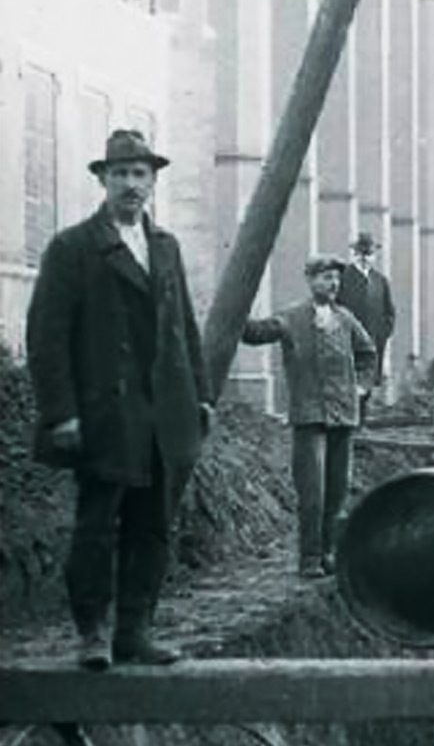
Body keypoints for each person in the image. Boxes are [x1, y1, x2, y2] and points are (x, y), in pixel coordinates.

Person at [25, 129, 214, 670]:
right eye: (120, 174)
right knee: (97, 525)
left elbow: (185, 329)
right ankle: (93, 634)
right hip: (106, 413)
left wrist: (201, 395)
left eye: (140, 175)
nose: (131, 185)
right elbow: (47, 338)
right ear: (102, 181)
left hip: (164, 414)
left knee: (152, 527)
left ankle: (135, 632)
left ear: (153, 182)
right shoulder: (73, 248)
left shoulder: (166, 247)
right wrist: (60, 413)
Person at [242, 255, 376, 579]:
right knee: (312, 491)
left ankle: (329, 552)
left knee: (337, 490)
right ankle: (310, 558)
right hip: (309, 415)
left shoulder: (346, 319)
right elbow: (255, 333)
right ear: (310, 280)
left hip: (343, 416)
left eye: (335, 279)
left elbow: (368, 353)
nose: (332, 284)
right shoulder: (292, 318)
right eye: (325, 278)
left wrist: (360, 387)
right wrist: (238, 309)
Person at [336, 232, 396, 417]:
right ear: (354, 254)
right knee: (349, 380)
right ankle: (349, 421)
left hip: (374, 342)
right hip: (348, 340)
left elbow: (390, 312)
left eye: (368, 254)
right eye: (361, 253)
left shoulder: (380, 281)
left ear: (374, 256)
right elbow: (335, 308)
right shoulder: (343, 278)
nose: (365, 258)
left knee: (368, 382)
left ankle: (361, 421)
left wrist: (383, 333)